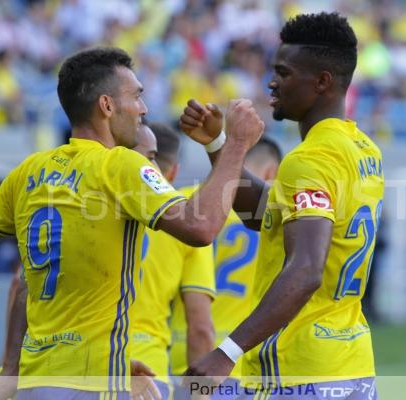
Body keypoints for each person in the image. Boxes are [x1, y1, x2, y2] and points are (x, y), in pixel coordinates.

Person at [0, 46, 264, 400]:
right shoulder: (119, 165)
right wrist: (236, 144)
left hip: (34, 382)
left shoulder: (27, 172)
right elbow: (202, 227)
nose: (143, 109)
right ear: (107, 105)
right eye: (137, 96)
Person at [180, 13, 384, 399]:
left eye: (284, 73)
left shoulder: (309, 160)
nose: (272, 82)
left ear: (322, 82)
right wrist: (217, 145)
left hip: (300, 370)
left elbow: (306, 270)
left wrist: (226, 353)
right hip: (351, 366)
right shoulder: (362, 150)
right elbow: (264, 215)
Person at [169, 137, 282, 399]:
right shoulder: (274, 219)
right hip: (241, 360)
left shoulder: (184, 206)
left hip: (180, 354)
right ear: (272, 172)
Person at [130, 122, 216, 400]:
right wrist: (200, 396)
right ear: (174, 171)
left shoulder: (93, 203)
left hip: (82, 367)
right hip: (147, 373)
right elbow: (200, 327)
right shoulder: (186, 221)